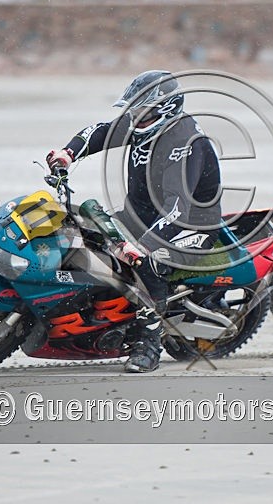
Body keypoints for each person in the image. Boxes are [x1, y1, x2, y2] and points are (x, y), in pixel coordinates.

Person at [46, 70, 222, 372]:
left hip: (191, 225)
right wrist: (67, 154)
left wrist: (142, 246)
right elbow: (101, 132)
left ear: (165, 110)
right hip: (142, 214)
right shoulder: (142, 125)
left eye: (141, 111)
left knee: (146, 265)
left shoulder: (185, 143)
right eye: (133, 109)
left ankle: (148, 345)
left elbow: (177, 209)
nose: (134, 117)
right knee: (84, 232)